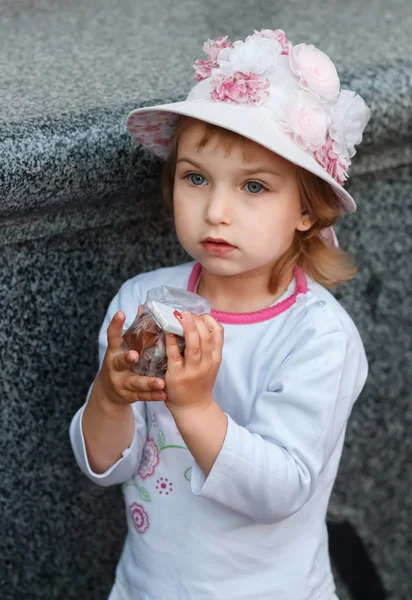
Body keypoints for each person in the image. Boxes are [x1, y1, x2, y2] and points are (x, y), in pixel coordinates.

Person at [70, 28, 371, 600]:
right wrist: (109, 397)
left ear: (307, 208)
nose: (217, 211)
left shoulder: (317, 336)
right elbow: (107, 465)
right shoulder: (143, 303)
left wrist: (195, 406)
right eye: (196, 178)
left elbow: (279, 491)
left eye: (254, 186)